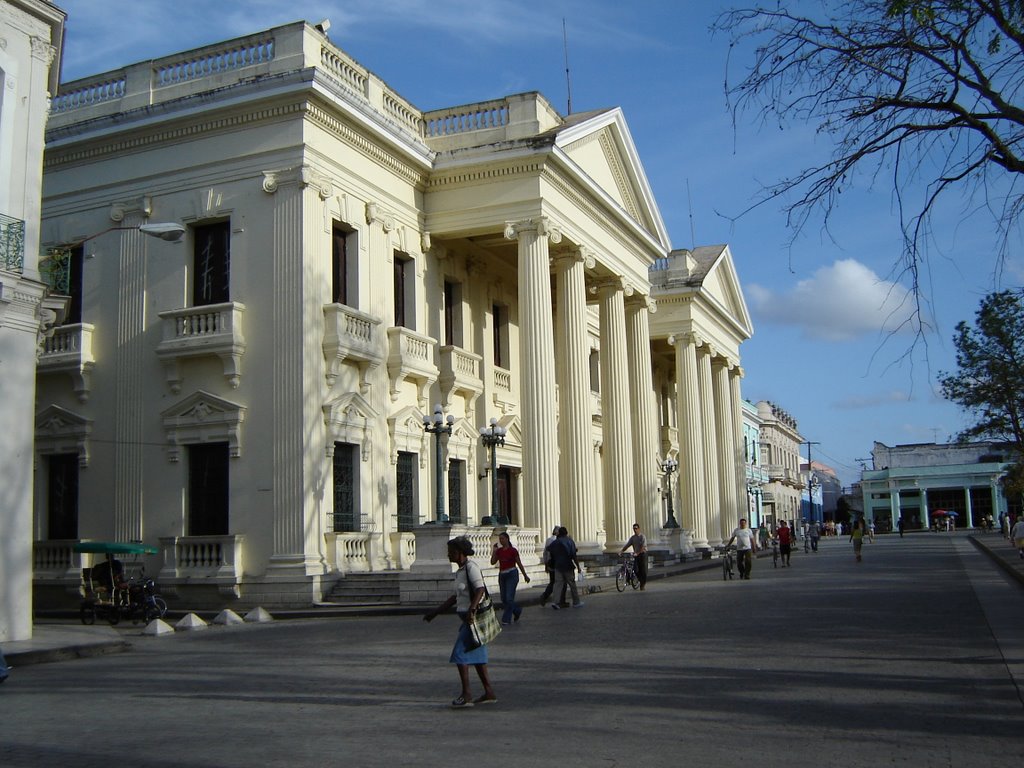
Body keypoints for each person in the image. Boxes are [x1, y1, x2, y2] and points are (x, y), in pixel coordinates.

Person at [423, 536, 497, 708]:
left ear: (461, 553)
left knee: (460, 654)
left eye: (452, 552)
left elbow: (480, 590)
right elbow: (455, 597)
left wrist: (471, 610)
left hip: (474, 620)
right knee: (478, 657)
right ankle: (489, 692)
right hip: (468, 619)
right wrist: (436, 612)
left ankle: (466, 694)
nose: (449, 555)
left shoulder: (471, 568)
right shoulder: (461, 571)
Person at [490, 531, 531, 624]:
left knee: (509, 597)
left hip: (512, 574)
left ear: (507, 539)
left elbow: (519, 563)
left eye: (502, 538)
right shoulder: (499, 551)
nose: (501, 540)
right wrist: (494, 552)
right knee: (504, 598)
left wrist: (525, 575)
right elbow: (492, 562)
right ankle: (517, 610)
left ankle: (506, 619)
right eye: (500, 539)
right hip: (502, 575)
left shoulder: (513, 550)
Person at [546, 527, 582, 609]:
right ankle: (576, 602)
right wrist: (578, 566)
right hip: (568, 565)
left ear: (559, 533)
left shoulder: (556, 542)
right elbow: (574, 555)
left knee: (558, 584)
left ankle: (556, 602)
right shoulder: (570, 541)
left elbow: (549, 550)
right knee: (572, 584)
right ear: (566, 533)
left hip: (558, 566)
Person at [619, 523, 648, 590]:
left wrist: (637, 553)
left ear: (639, 529)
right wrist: (621, 551)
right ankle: (640, 581)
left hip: (643, 554)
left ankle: (643, 584)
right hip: (636, 555)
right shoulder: (633, 538)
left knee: (643, 570)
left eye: (636, 528)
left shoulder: (642, 537)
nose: (635, 530)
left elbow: (643, 547)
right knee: (636, 569)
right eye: (634, 529)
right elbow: (627, 545)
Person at [538, 525, 561, 606]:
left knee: (552, 582)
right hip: (557, 564)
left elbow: (545, 553)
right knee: (559, 583)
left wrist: (546, 564)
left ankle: (545, 596)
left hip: (550, 564)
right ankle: (557, 600)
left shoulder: (548, 540)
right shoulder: (558, 540)